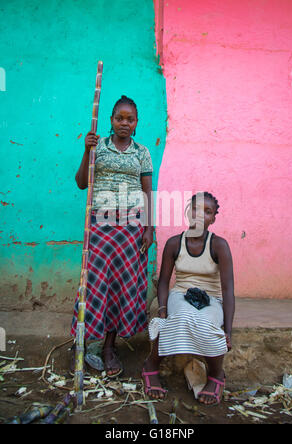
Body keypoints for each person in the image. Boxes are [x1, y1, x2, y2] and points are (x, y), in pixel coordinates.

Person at [71, 95, 154, 378]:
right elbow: (82, 183)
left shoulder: (142, 152)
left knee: (121, 288)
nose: (124, 123)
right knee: (94, 286)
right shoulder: (98, 147)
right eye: (120, 118)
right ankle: (82, 344)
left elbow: (146, 192)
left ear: (136, 123)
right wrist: (86, 150)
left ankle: (109, 347)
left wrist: (148, 227)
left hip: (130, 228)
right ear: (111, 120)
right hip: (101, 226)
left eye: (130, 119)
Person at [142, 192, 235, 406]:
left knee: (209, 324)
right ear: (187, 211)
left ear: (213, 218)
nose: (200, 215)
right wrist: (163, 308)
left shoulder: (219, 245)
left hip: (211, 298)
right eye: (195, 208)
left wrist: (228, 330)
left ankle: (216, 374)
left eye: (207, 211)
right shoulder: (175, 243)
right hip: (181, 294)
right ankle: (151, 365)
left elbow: (228, 290)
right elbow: (164, 281)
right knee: (179, 317)